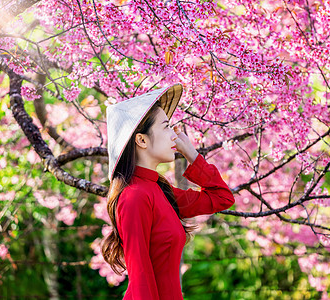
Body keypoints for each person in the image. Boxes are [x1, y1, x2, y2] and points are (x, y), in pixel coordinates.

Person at [101, 83, 235, 300]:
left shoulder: (160, 191)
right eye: (166, 127)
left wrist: (192, 153)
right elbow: (140, 275)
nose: (174, 135)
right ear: (141, 140)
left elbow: (222, 198)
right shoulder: (134, 196)